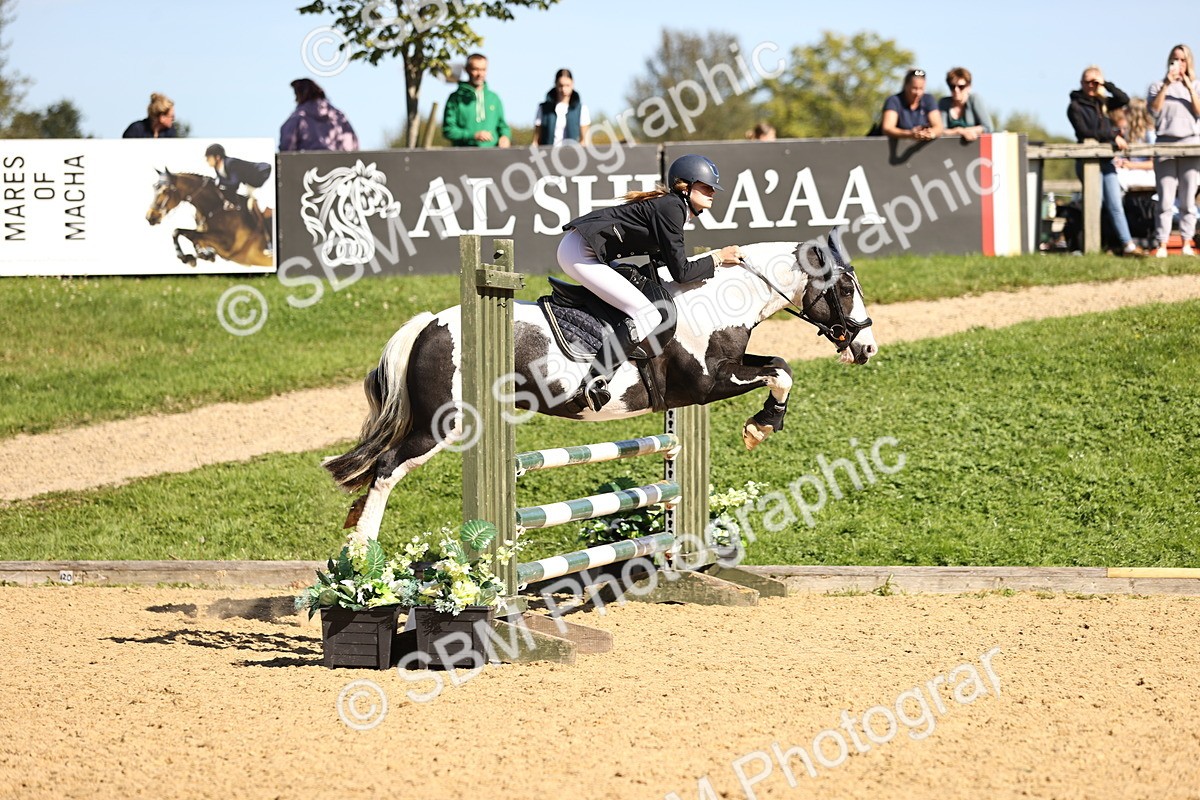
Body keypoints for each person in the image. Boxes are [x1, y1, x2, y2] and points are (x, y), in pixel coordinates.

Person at [556, 154, 743, 412]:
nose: (713, 192)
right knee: (646, 314)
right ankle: (593, 382)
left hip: (586, 250)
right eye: (706, 186)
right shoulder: (672, 208)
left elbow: (662, 264)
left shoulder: (675, 207)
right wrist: (718, 257)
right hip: (580, 252)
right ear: (685, 186)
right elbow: (682, 272)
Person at [1067, 66, 1145, 256]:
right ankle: (1096, 246)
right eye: (1088, 82)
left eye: (1095, 82)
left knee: (1115, 204)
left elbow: (1123, 99)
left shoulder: (1102, 102)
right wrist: (1112, 136)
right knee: (1095, 204)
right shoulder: (1075, 106)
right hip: (1088, 163)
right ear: (1081, 83)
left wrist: (1106, 84)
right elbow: (1085, 132)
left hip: (1106, 161)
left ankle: (1126, 245)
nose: (1091, 86)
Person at [1148, 44, 1200, 257]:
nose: (1179, 64)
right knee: (1165, 199)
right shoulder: (1156, 86)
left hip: (1191, 145)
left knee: (1188, 200)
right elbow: (1153, 111)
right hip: (1165, 145)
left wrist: (1188, 86)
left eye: (1183, 60)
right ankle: (1162, 243)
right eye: (1175, 59)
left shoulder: (1196, 85)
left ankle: (1187, 242)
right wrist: (1167, 85)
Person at [204, 144, 273, 247]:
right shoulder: (217, 168)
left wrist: (218, 183)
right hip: (250, 184)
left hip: (264, 178)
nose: (207, 161)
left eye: (209, 158)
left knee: (263, 209)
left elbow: (234, 183)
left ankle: (271, 242)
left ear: (217, 157)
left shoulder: (231, 163)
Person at [443, 53, 510, 148]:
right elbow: (448, 130)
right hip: (464, 156)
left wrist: (505, 137)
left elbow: (503, 126)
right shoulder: (455, 98)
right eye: (475, 69)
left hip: (492, 156)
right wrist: (472, 135)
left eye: (483, 70)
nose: (480, 74)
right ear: (467, 70)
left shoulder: (494, 98)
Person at [279, 78, 359, 152]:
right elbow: (352, 144)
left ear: (300, 95)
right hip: (339, 165)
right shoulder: (338, 116)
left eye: (296, 95)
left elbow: (286, 148)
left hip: (307, 166)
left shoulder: (298, 118)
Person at [880, 69, 943, 141]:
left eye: (921, 89)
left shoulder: (928, 99)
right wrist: (910, 134)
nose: (918, 93)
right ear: (906, 86)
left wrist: (930, 133)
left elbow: (939, 127)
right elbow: (887, 128)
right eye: (914, 88)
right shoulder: (894, 100)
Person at [534, 68, 590, 146]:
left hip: (571, 155)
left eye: (567, 85)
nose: (564, 89)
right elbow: (536, 140)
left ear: (572, 84)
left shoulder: (581, 109)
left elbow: (584, 140)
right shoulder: (543, 109)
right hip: (548, 155)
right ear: (555, 84)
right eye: (561, 85)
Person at [1111, 99, 1156, 192]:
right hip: (1132, 170)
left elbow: (1154, 164)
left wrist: (1131, 165)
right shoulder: (1129, 133)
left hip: (1146, 173)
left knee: (1117, 179)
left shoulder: (1149, 133)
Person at [938, 67, 994, 142]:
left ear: (969, 87)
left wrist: (969, 131)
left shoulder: (974, 99)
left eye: (961, 87)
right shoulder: (944, 103)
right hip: (949, 149)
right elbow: (940, 130)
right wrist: (959, 131)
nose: (956, 90)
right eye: (952, 86)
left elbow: (987, 127)